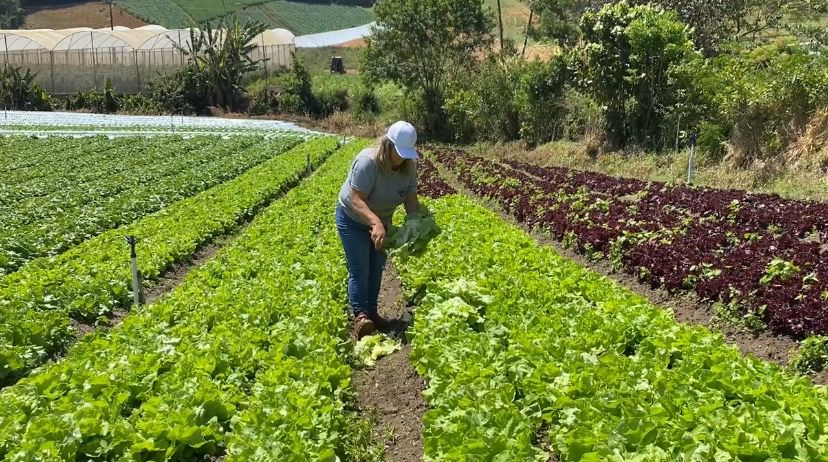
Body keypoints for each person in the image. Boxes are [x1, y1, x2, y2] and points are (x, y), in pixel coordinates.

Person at [336, 121, 421, 339]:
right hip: (353, 218)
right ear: (388, 145)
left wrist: (415, 226)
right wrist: (375, 223)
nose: (402, 158)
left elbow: (411, 200)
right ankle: (360, 317)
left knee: (376, 267)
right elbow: (356, 199)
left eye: (406, 154)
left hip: (382, 221)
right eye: (399, 153)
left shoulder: (409, 167)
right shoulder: (368, 162)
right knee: (360, 268)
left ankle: (372, 313)